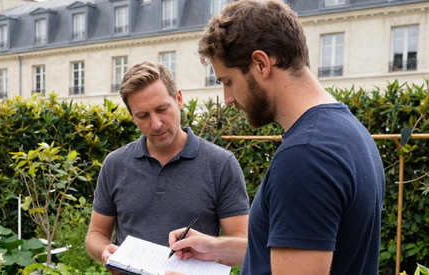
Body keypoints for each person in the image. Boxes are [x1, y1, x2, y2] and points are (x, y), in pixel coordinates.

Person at [166, 0, 386, 274]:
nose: (228, 99)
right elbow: (298, 250)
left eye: (228, 81)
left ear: (261, 64)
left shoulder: (306, 157)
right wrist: (216, 247)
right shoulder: (349, 132)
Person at [84, 61, 250, 273]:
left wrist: (210, 248)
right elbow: (95, 233)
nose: (156, 124)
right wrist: (104, 251)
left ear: (179, 99)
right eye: (143, 116)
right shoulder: (115, 164)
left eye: (162, 109)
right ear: (132, 116)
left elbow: (244, 245)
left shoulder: (220, 164)